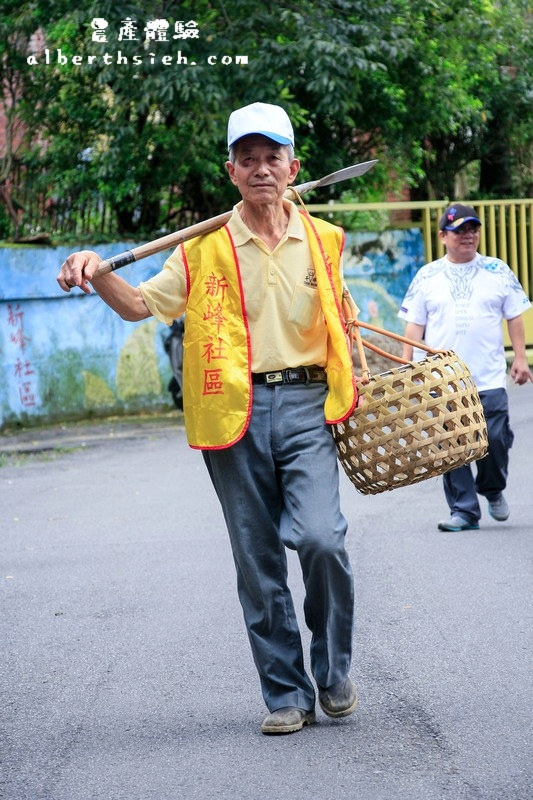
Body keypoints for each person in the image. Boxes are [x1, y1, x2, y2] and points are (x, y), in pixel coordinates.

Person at [57, 102, 359, 735]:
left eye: (271, 157)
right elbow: (140, 304)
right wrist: (94, 267)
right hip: (231, 408)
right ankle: (286, 695)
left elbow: (343, 323)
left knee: (321, 539)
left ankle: (332, 669)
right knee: (257, 561)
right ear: (230, 171)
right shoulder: (202, 250)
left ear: (292, 166)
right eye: (246, 159)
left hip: (307, 405)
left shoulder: (325, 240)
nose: (260, 169)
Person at [398, 203, 532, 532]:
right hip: (442, 379)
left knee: (496, 438)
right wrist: (406, 369)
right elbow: (414, 327)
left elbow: (514, 315)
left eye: (473, 229)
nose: (468, 235)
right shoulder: (427, 276)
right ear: (443, 236)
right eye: (459, 230)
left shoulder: (498, 270)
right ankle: (464, 510)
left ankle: (492, 488)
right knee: (451, 446)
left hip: (488, 376)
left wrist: (520, 357)